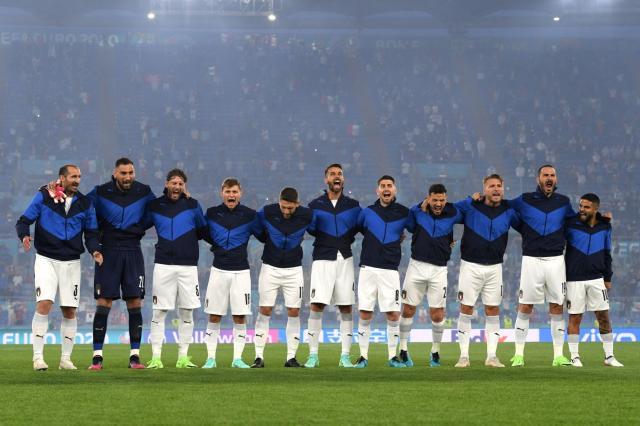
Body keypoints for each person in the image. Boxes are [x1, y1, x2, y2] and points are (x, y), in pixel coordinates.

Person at [16, 164, 102, 370]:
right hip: (46, 259)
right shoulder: (44, 196)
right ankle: (38, 358)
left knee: (70, 310)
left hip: (72, 262)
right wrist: (24, 235)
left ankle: (65, 359)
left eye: (79, 177)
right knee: (44, 303)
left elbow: (91, 233)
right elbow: (23, 221)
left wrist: (95, 251)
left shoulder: (85, 203)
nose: (77, 180)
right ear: (62, 178)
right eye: (73, 176)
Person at [87, 158, 155, 370]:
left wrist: (139, 227)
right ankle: (97, 357)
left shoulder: (144, 191)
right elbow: (82, 207)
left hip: (133, 250)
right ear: (115, 173)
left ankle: (135, 356)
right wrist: (94, 247)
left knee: (135, 301)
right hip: (108, 251)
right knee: (104, 301)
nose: (127, 177)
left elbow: (159, 210)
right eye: (123, 173)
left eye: (130, 173)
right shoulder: (100, 192)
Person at [508, 165, 575, 367]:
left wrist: (599, 220)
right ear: (538, 178)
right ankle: (518, 355)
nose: (549, 178)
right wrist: (478, 199)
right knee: (525, 306)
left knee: (557, 306)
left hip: (556, 260)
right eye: (545, 175)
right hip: (531, 259)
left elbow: (575, 223)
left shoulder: (564, 202)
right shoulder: (524, 199)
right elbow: (503, 206)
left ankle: (558, 356)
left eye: (552, 175)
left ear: (556, 179)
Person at [453, 174, 520, 368]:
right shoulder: (471, 207)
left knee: (493, 310)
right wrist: (469, 199)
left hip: (495, 267)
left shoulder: (509, 210)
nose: (496, 189)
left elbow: (526, 229)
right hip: (470, 266)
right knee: (466, 308)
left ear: (503, 189)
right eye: (491, 186)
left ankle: (491, 356)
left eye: (499, 185)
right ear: (484, 189)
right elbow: (450, 212)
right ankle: (463, 356)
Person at [144, 169, 208, 369]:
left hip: (188, 267)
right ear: (167, 184)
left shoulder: (193, 205)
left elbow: (202, 230)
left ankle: (183, 357)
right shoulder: (155, 205)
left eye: (180, 183)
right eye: (174, 183)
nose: (177, 186)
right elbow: (140, 226)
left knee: (187, 313)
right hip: (163, 265)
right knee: (159, 312)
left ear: (184, 186)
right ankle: (156, 358)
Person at [202, 178, 263, 369]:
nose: (231, 195)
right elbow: (203, 233)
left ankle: (237, 359)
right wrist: (219, 245)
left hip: (241, 272)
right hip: (218, 270)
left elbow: (262, 235)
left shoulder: (250, 215)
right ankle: (210, 358)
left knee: (240, 316)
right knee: (214, 315)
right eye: (228, 192)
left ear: (240, 193)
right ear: (222, 193)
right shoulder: (211, 213)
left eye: (234, 192)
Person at [400, 183, 463, 367]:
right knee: (408, 309)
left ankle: (435, 351)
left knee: (437, 314)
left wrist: (455, 238)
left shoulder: (454, 212)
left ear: (446, 199)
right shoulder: (417, 212)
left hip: (439, 269)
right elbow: (409, 224)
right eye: (435, 200)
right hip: (416, 266)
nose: (438, 203)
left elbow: (467, 212)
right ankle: (403, 349)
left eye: (442, 200)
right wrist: (418, 206)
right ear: (428, 198)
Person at [304, 164, 361, 368]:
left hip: (345, 258)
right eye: (332, 174)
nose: (336, 176)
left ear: (343, 179)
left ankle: (345, 356)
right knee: (316, 305)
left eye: (339, 174)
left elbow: (363, 227)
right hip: (322, 258)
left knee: (346, 306)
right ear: (326, 179)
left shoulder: (353, 206)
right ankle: (313, 355)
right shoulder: (314, 205)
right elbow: (308, 228)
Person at [252, 187, 314, 368]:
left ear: (297, 204)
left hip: (294, 270)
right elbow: (256, 228)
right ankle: (258, 357)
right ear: (279, 202)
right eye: (283, 207)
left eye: (290, 208)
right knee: (265, 310)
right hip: (269, 268)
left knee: (294, 311)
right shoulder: (267, 211)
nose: (286, 211)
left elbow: (316, 229)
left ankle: (291, 358)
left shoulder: (306, 215)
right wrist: (268, 239)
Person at [354, 175, 409, 368]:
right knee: (365, 312)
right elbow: (359, 229)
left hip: (390, 270)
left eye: (389, 186)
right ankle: (363, 356)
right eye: (383, 186)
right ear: (377, 191)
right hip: (368, 267)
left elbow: (417, 228)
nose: (386, 188)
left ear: (395, 189)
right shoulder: (368, 212)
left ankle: (393, 357)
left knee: (393, 314)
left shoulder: (404, 213)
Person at [565, 193, 622, 367]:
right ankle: (574, 357)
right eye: (580, 206)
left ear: (596, 209)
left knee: (604, 316)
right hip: (574, 278)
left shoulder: (605, 227)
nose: (582, 209)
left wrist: (608, 277)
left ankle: (609, 357)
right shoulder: (571, 223)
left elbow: (607, 253)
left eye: (586, 207)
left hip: (597, 278)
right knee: (575, 317)